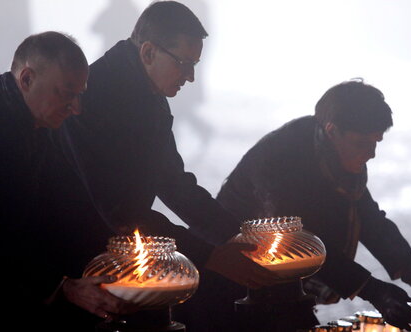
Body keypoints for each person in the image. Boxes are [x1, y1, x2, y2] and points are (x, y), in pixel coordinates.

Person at [52, 0, 277, 296]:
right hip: (66, 261)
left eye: (195, 65)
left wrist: (237, 236)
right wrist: (208, 255)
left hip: (112, 247)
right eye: (183, 63)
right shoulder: (94, 97)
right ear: (148, 52)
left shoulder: (150, 97)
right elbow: (119, 210)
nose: (191, 77)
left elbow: (174, 184)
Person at [214, 79, 411, 331]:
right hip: (238, 281)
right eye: (361, 143)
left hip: (284, 280)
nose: (370, 153)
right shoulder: (281, 158)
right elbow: (297, 241)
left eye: (375, 142)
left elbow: (368, 219)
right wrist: (370, 288)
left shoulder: (338, 157)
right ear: (332, 131)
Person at [0, 31, 135, 331]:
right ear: (26, 79)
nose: (76, 107)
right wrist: (62, 287)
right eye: (67, 93)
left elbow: (71, 206)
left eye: (80, 94)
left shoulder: (39, 122)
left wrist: (124, 252)